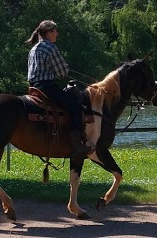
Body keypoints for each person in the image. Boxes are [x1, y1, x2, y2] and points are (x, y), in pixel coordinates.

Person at [26, 20, 93, 160]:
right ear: (49, 32)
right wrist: (65, 68)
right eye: (55, 31)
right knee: (75, 106)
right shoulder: (50, 47)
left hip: (34, 87)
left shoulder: (34, 48)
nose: (57, 33)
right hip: (47, 86)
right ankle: (76, 145)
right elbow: (62, 72)